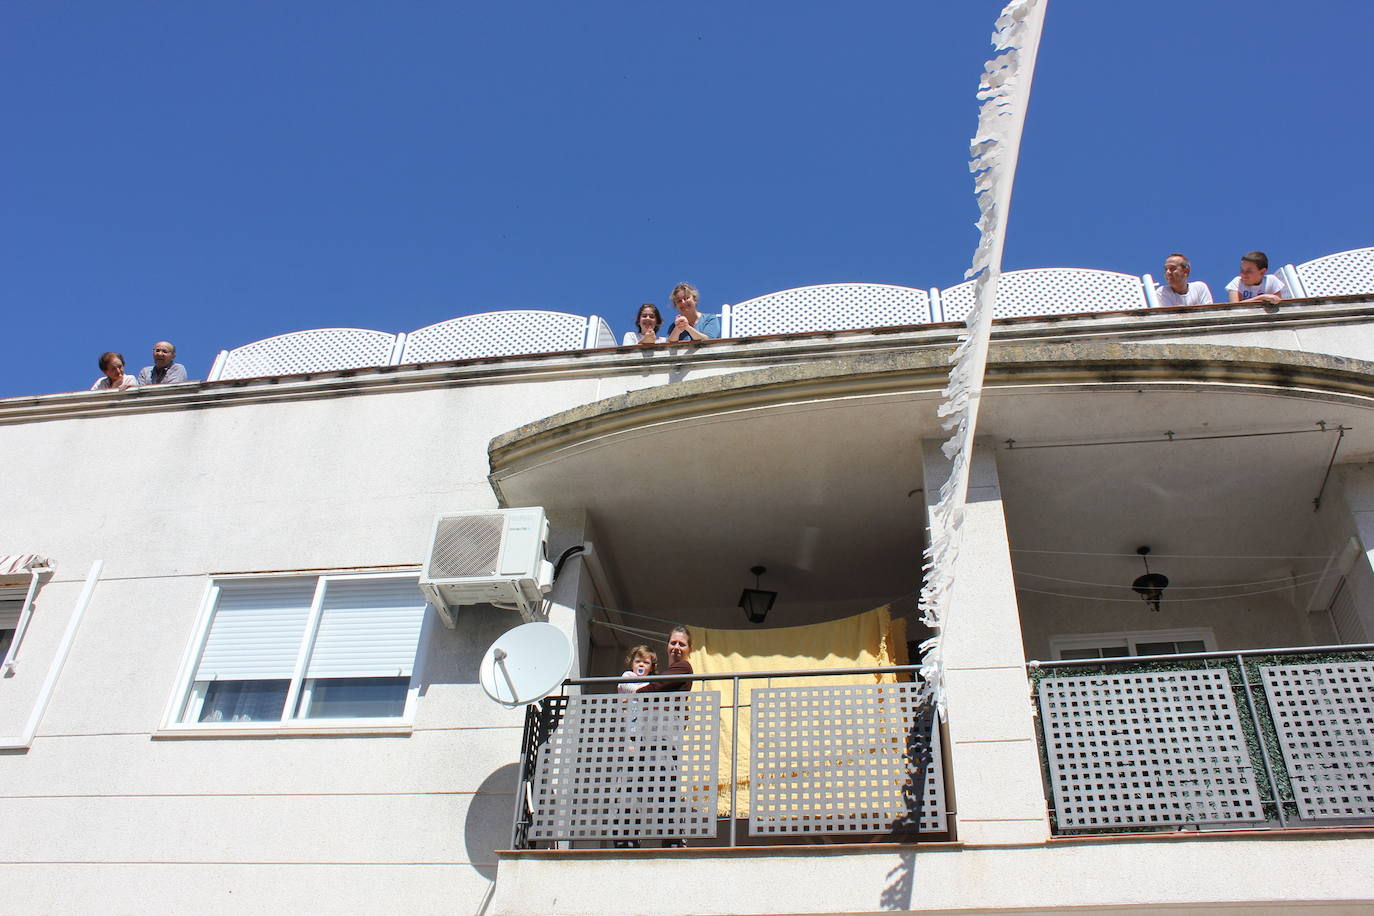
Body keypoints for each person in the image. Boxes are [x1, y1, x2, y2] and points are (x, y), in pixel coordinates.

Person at [643, 626, 693, 692]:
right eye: (673, 643)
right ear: (667, 646)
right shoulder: (669, 671)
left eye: (681, 644)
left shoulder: (684, 666)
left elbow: (658, 685)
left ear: (690, 649)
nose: (676, 647)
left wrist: (634, 694)